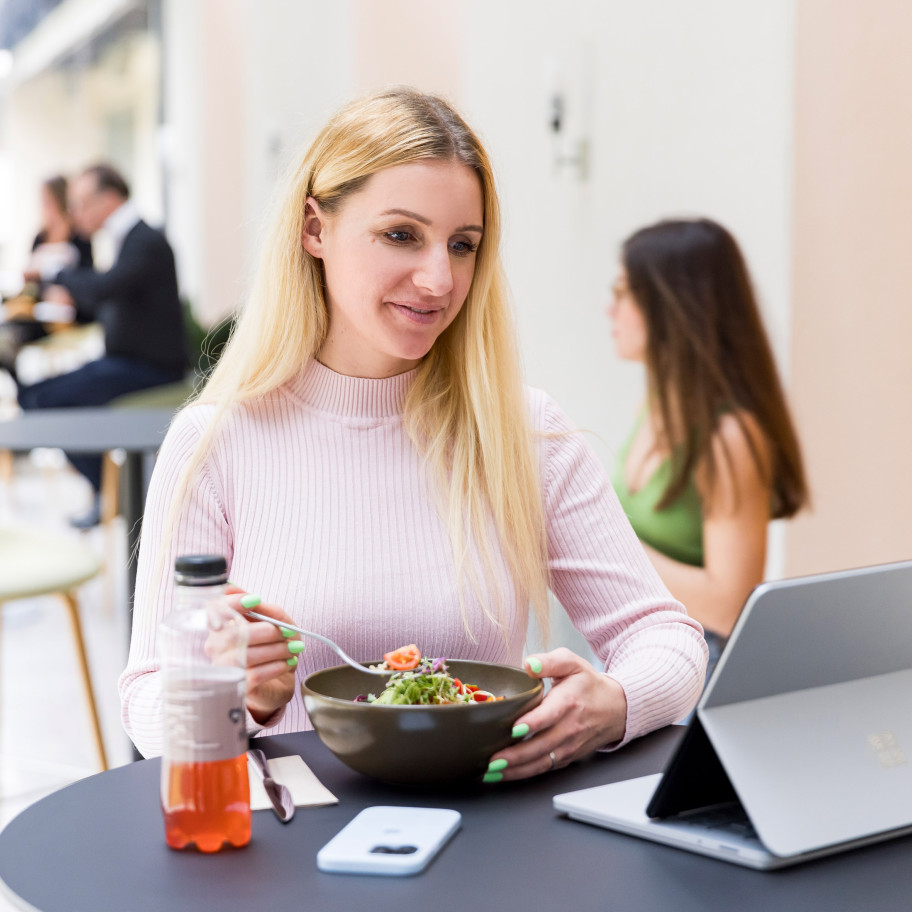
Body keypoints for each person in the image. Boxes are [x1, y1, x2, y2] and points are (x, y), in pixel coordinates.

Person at [119, 88, 707, 779]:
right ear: (315, 229)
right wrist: (231, 696)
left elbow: (666, 637)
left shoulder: (524, 432)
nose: (438, 280)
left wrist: (618, 701)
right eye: (401, 235)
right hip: (294, 855)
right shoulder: (215, 442)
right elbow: (147, 701)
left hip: (486, 838)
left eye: (463, 246)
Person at [608, 218, 809, 683]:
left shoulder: (730, 437)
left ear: (668, 306)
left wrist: (608, 545)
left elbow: (728, 605)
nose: (609, 310)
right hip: (638, 650)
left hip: (698, 670)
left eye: (622, 293)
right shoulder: (653, 406)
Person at [17, 164, 187, 527]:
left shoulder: (145, 240)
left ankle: (106, 492)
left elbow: (106, 288)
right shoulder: (129, 240)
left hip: (148, 369)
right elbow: (107, 299)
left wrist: (55, 270)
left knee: (42, 399)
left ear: (108, 199)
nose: (75, 213)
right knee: (34, 396)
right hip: (125, 362)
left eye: (80, 203)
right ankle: (105, 491)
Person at [0, 175, 93, 380]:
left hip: (70, 310)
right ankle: (20, 382)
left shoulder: (79, 235)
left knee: (20, 333)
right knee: (9, 331)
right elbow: (30, 279)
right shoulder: (40, 236)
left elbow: (88, 276)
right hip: (40, 307)